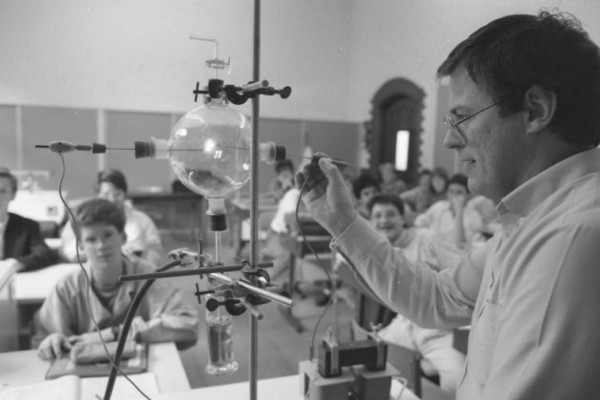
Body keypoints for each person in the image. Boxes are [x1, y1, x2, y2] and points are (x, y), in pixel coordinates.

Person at [297, 11, 600, 399]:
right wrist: (343, 221)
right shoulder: (534, 219)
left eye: (462, 118)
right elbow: (439, 297)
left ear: (536, 110)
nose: (449, 141)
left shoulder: (570, 237)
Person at [36, 198, 198, 360]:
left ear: (123, 237)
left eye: (108, 235)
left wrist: (114, 334)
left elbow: (187, 325)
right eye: (91, 239)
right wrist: (51, 341)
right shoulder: (67, 287)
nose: (101, 245)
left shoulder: (148, 275)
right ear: (81, 246)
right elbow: (42, 336)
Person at [362, 194, 465, 394]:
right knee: (367, 358)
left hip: (438, 325)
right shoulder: (380, 249)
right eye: (378, 216)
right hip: (404, 322)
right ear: (371, 222)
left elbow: (461, 268)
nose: (384, 221)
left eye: (390, 214)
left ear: (403, 218)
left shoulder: (427, 237)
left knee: (458, 381)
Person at [59, 169, 163, 267]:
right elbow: (69, 250)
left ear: (124, 194)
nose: (112, 200)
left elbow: (154, 251)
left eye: (117, 194)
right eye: (106, 194)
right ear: (98, 195)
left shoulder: (142, 220)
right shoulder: (81, 219)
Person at [0, 167, 57, 272]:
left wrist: (16, 264)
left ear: (13, 195)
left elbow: (45, 254)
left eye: (2, 191)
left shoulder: (27, 226)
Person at [415, 173, 484, 249]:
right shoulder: (439, 206)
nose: (454, 196)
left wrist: (459, 212)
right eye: (451, 192)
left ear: (467, 195)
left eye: (459, 192)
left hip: (456, 255)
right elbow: (419, 222)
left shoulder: (473, 216)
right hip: (433, 249)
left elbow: (461, 246)